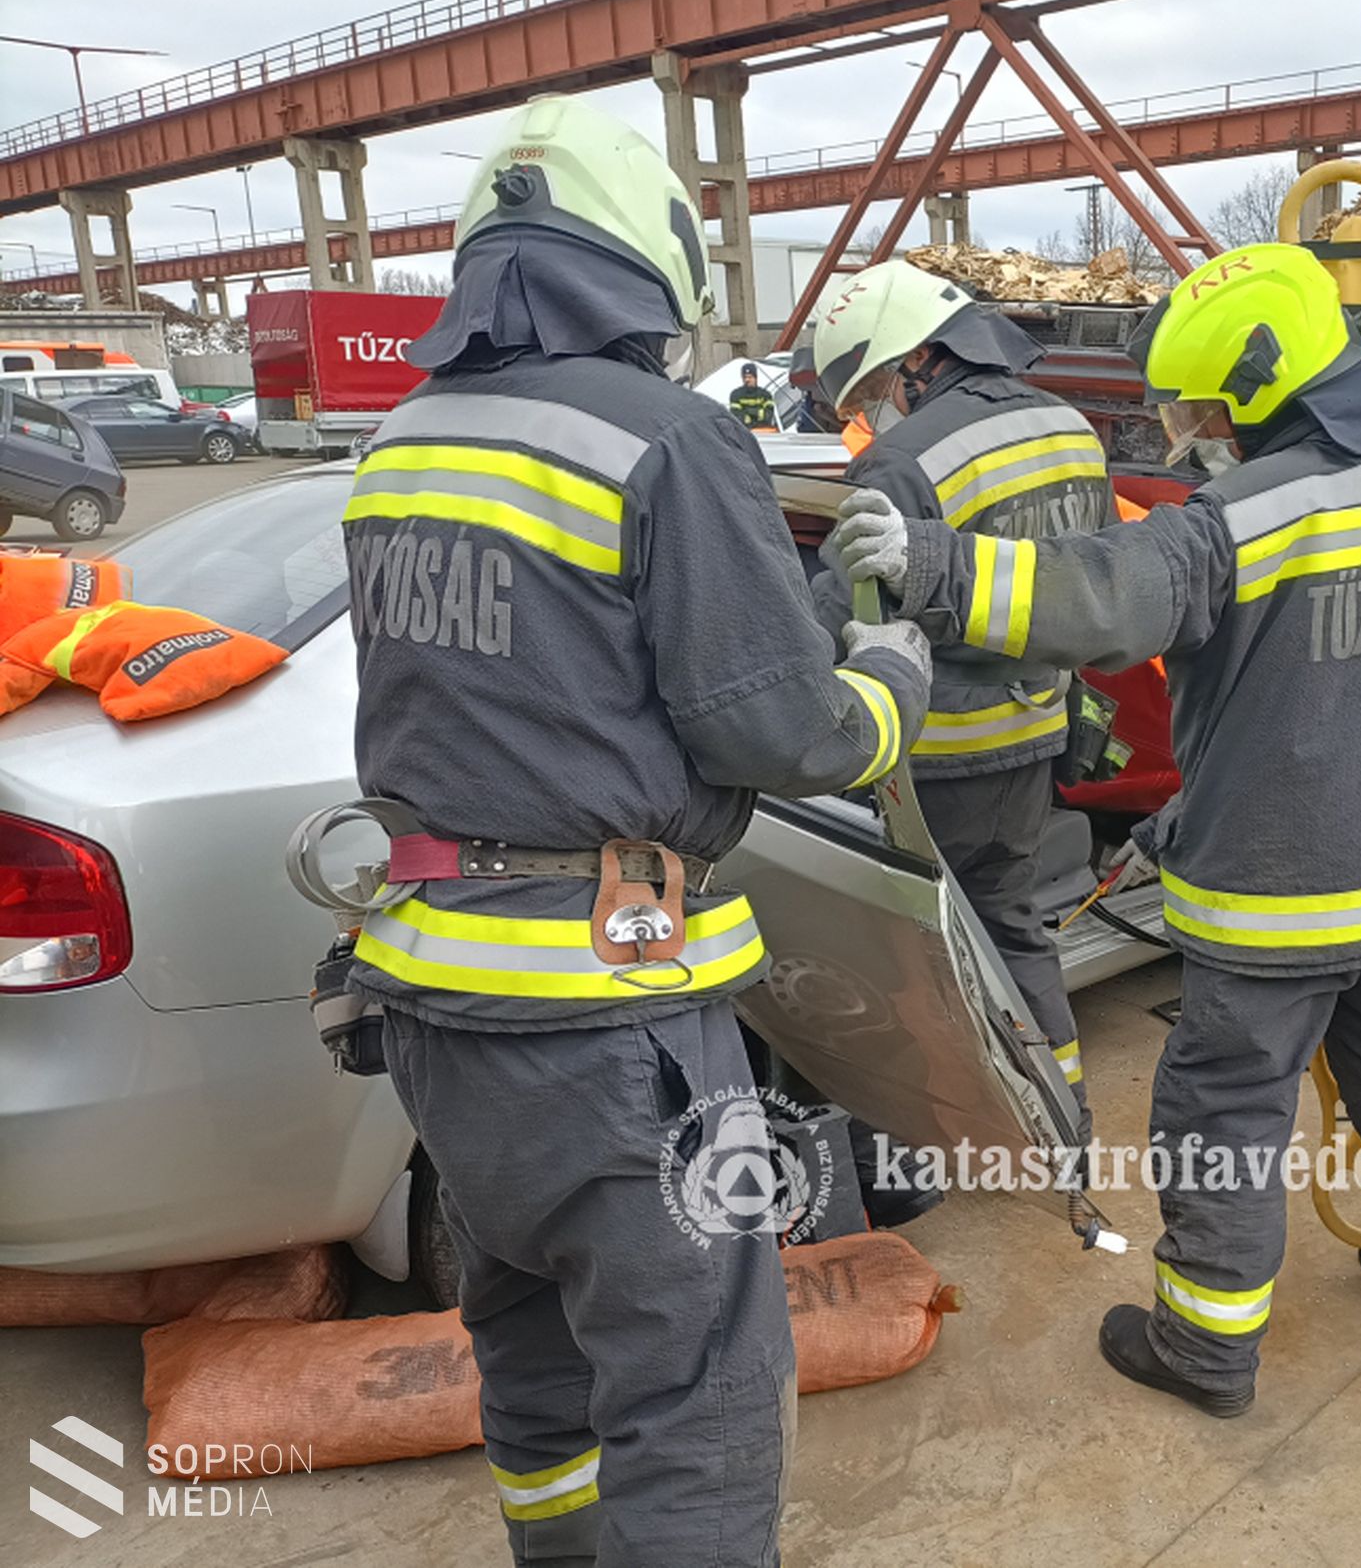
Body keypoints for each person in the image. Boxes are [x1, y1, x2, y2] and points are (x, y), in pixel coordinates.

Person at [826, 242, 1361, 1415]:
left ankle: (1206, 1344)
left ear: (1259, 388)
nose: (1190, 435)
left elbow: (1087, 597)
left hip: (1280, 898)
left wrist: (928, 562)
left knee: (1221, 1113)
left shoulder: (1241, 517)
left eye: (1198, 410)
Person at [340, 94, 930, 1566]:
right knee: (699, 1401)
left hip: (436, 1008)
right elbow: (775, 733)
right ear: (644, 265)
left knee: (536, 1359)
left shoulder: (400, 441)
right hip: (618, 1023)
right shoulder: (665, 437)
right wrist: (891, 682)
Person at [808, 258, 1114, 1123]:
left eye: (872, 386)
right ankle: (1062, 1114)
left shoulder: (906, 461)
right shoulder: (1071, 427)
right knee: (1012, 927)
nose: (872, 412)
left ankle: (932, 1128)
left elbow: (832, 615)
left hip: (935, 757)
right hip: (1036, 734)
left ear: (918, 359)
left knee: (911, 959)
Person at [729, 362, 778, 429]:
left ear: (755, 378)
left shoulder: (765, 395)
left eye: (750, 377)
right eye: (745, 377)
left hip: (764, 432)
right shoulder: (736, 395)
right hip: (744, 432)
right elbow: (737, 417)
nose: (747, 380)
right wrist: (758, 413)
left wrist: (747, 413)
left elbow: (768, 416)